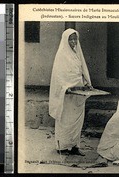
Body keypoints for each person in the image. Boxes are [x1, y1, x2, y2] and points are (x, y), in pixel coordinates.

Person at [49, 28, 92, 156]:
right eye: (71, 39)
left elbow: (82, 70)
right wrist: (65, 88)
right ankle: (62, 147)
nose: (73, 41)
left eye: (75, 39)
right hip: (66, 95)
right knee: (65, 120)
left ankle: (74, 146)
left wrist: (87, 83)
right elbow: (58, 76)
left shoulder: (77, 53)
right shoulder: (61, 55)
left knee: (77, 121)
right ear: (65, 40)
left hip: (78, 94)